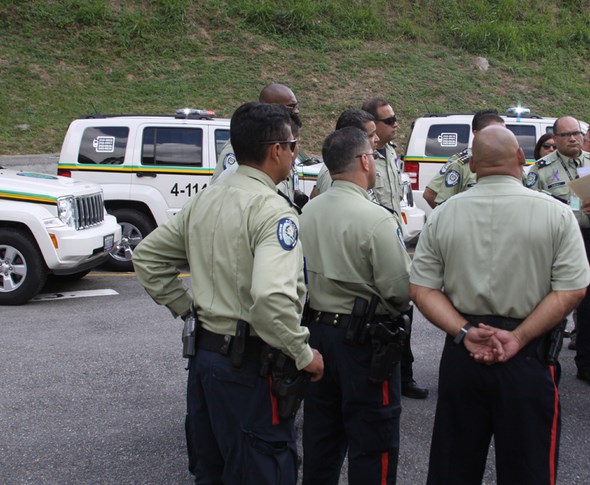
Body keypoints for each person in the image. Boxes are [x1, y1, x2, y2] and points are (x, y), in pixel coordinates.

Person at [133, 102, 324, 484]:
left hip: (205, 361)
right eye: (294, 144)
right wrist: (305, 354)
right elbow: (271, 301)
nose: (295, 153)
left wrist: (190, 310)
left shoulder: (206, 198)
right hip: (251, 368)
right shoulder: (273, 211)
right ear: (276, 150)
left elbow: (147, 258)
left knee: (212, 469)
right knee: (263, 469)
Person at [410, 124, 589, 484]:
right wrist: (519, 338)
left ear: (473, 164)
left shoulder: (444, 214)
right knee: (529, 468)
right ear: (522, 159)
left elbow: (421, 288)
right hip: (529, 354)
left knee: (453, 466)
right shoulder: (556, 214)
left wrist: (464, 331)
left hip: (464, 351)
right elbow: (572, 290)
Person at [300, 127, 411, 485]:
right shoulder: (377, 218)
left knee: (322, 435)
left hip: (316, 333)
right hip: (364, 342)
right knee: (373, 438)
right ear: (364, 161)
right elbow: (397, 290)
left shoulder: (307, 212)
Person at [361, 97, 428, 399]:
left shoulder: (389, 153)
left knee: (403, 312)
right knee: (378, 315)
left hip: (394, 240)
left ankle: (404, 375)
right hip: (372, 244)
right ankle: (377, 375)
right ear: (372, 123)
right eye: (390, 121)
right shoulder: (360, 156)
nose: (396, 125)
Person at [526, 115, 590, 384]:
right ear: (555, 138)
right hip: (558, 241)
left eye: (577, 133)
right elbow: (527, 209)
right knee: (554, 300)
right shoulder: (539, 170)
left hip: (588, 238)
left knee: (587, 306)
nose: (574, 138)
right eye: (566, 135)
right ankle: (542, 357)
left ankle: (585, 362)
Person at [211, 83, 308, 207]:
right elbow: (222, 190)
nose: (296, 111)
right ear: (271, 108)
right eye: (291, 106)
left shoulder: (284, 142)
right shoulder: (246, 143)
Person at [423, 109, 505, 209]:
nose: (500, 136)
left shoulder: (511, 163)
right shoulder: (460, 164)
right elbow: (430, 194)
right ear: (476, 133)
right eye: (493, 131)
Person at [312, 109, 380, 197]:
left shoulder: (346, 169)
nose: (377, 139)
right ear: (352, 138)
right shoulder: (337, 175)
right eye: (371, 135)